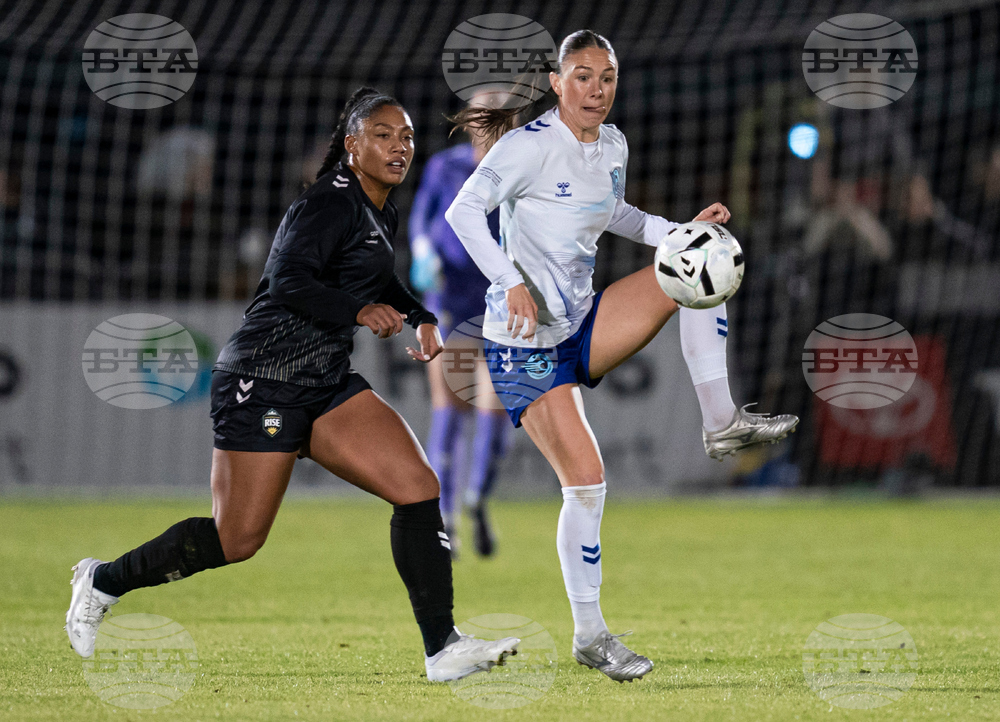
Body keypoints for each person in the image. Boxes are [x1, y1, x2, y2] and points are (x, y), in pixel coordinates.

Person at [65, 87, 518, 683]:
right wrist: (358, 311)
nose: (399, 147)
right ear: (352, 144)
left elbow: (376, 278)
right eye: (383, 135)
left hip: (324, 381)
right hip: (263, 378)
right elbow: (287, 282)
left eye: (407, 137)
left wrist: (419, 313)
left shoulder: (379, 208)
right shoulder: (327, 202)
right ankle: (102, 580)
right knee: (236, 539)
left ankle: (443, 649)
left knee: (416, 486)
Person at [445, 31, 798, 682]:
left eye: (606, 77)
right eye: (582, 76)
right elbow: (462, 214)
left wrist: (679, 231)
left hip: (582, 322)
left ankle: (722, 422)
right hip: (524, 344)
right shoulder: (528, 147)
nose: (596, 90)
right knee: (586, 482)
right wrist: (509, 280)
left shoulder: (612, 145)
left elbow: (617, 215)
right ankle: (590, 636)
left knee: (700, 262)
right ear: (557, 83)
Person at [408, 107, 511, 558]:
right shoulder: (444, 167)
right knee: (450, 409)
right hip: (451, 301)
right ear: (471, 125)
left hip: (501, 305)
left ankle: (477, 499)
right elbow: (421, 218)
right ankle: (446, 516)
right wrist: (422, 250)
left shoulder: (520, 171)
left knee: (496, 410)